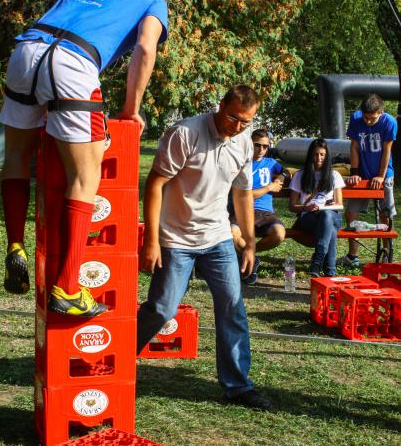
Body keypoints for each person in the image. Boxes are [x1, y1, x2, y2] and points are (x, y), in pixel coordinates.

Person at [0, 0, 168, 317]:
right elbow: (146, 48)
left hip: (26, 49)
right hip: (73, 62)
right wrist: (131, 109)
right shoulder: (154, 1)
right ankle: (68, 290)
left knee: (16, 157)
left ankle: (15, 244)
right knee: (85, 177)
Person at [137, 84, 273, 411]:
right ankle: (115, 359)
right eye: (233, 118)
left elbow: (241, 193)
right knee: (162, 309)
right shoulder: (184, 134)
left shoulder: (242, 141)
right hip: (175, 238)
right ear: (221, 105)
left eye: (246, 122)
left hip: (218, 237)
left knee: (233, 307)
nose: (238, 127)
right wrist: (152, 240)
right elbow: (154, 184)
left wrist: (250, 242)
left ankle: (238, 386)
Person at [338, 93, 397, 267]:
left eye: (372, 118)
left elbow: (387, 151)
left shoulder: (390, 122)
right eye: (366, 117)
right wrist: (355, 172)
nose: (368, 122)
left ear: (381, 112)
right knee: (351, 213)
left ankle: (386, 255)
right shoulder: (356, 119)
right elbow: (354, 146)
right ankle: (352, 256)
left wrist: (380, 175)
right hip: (362, 175)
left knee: (385, 216)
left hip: (384, 174)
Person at [230, 128, 286, 284]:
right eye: (257, 145)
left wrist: (279, 180)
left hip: (265, 213)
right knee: (231, 233)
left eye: (265, 146)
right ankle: (251, 259)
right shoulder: (241, 164)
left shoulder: (271, 163)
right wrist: (269, 188)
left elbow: (286, 172)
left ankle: (249, 255)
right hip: (243, 210)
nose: (261, 149)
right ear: (250, 144)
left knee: (279, 234)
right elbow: (244, 195)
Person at [289, 138, 345, 277]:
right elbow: (292, 206)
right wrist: (305, 208)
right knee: (329, 228)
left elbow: (340, 204)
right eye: (315, 154)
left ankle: (317, 261)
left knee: (327, 216)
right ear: (310, 156)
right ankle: (329, 273)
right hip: (309, 218)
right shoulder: (300, 175)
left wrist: (331, 205)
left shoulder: (334, 175)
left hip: (331, 216)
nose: (318, 158)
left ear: (326, 156)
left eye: (322, 154)